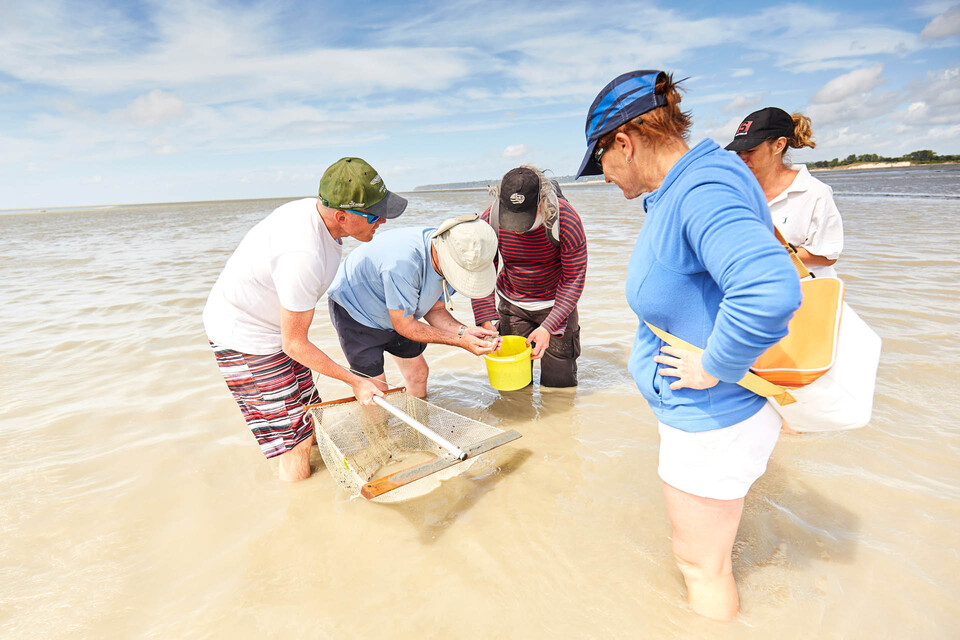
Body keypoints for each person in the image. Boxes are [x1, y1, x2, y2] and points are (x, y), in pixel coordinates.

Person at [576, 70, 802, 620]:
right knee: (711, 555)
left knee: (701, 566)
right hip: (718, 415)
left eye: (600, 162)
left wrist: (714, 365)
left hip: (712, 416)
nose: (604, 177)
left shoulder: (701, 189)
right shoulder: (696, 180)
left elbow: (769, 289)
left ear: (624, 143)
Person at [203, 157, 407, 482]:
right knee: (293, 440)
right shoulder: (303, 254)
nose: (382, 220)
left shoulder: (321, 221)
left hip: (276, 329)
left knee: (309, 412)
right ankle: (297, 498)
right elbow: (295, 344)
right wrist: (356, 381)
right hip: (247, 337)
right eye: (373, 215)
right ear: (342, 216)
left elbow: (293, 338)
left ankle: (313, 484)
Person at [326, 214, 501, 398]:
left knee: (419, 374)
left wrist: (464, 332)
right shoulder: (402, 264)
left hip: (401, 311)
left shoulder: (462, 255)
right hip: (356, 311)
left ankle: (416, 414)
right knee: (376, 391)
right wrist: (460, 341)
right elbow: (405, 325)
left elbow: (436, 309)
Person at [471, 166, 588, 388]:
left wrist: (548, 327)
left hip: (556, 306)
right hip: (513, 306)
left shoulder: (566, 219)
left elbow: (573, 279)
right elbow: (482, 272)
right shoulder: (490, 218)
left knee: (559, 386)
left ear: (541, 201)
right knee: (512, 386)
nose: (517, 229)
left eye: (523, 218)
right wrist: (486, 321)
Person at [726, 107, 843, 278]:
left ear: (778, 145)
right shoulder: (735, 193)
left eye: (750, 151)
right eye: (738, 152)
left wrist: (771, 254)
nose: (742, 158)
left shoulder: (815, 192)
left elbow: (828, 256)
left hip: (805, 290)